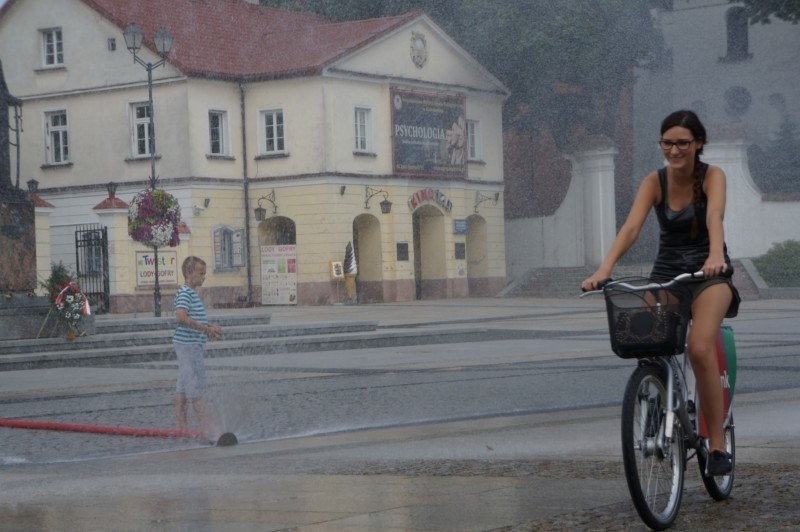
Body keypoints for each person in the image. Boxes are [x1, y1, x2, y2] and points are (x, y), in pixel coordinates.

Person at [581, 110, 740, 476]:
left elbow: (715, 215)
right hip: (668, 273)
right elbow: (632, 226)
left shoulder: (713, 176)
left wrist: (716, 255)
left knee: (699, 347)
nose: (674, 150)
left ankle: (716, 445)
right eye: (667, 143)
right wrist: (604, 271)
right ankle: (658, 398)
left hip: (708, 274)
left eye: (683, 142)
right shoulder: (655, 181)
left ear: (698, 143)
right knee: (647, 342)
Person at [172, 256, 223, 436]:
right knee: (196, 388)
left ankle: (181, 427)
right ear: (188, 273)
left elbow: (190, 317)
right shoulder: (185, 293)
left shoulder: (190, 293)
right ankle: (205, 428)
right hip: (188, 346)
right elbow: (181, 317)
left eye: (204, 274)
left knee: (183, 387)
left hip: (190, 345)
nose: (203, 277)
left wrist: (209, 328)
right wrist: (205, 330)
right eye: (200, 274)